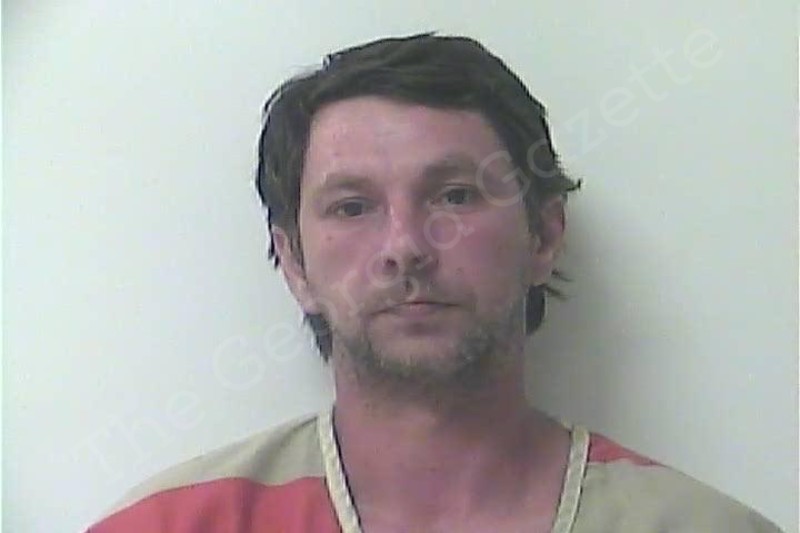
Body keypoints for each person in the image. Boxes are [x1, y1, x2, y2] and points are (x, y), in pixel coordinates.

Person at [87, 33, 781, 533]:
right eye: (352, 207)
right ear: (294, 262)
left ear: (543, 236)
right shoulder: (167, 525)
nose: (406, 248)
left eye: (455, 196)